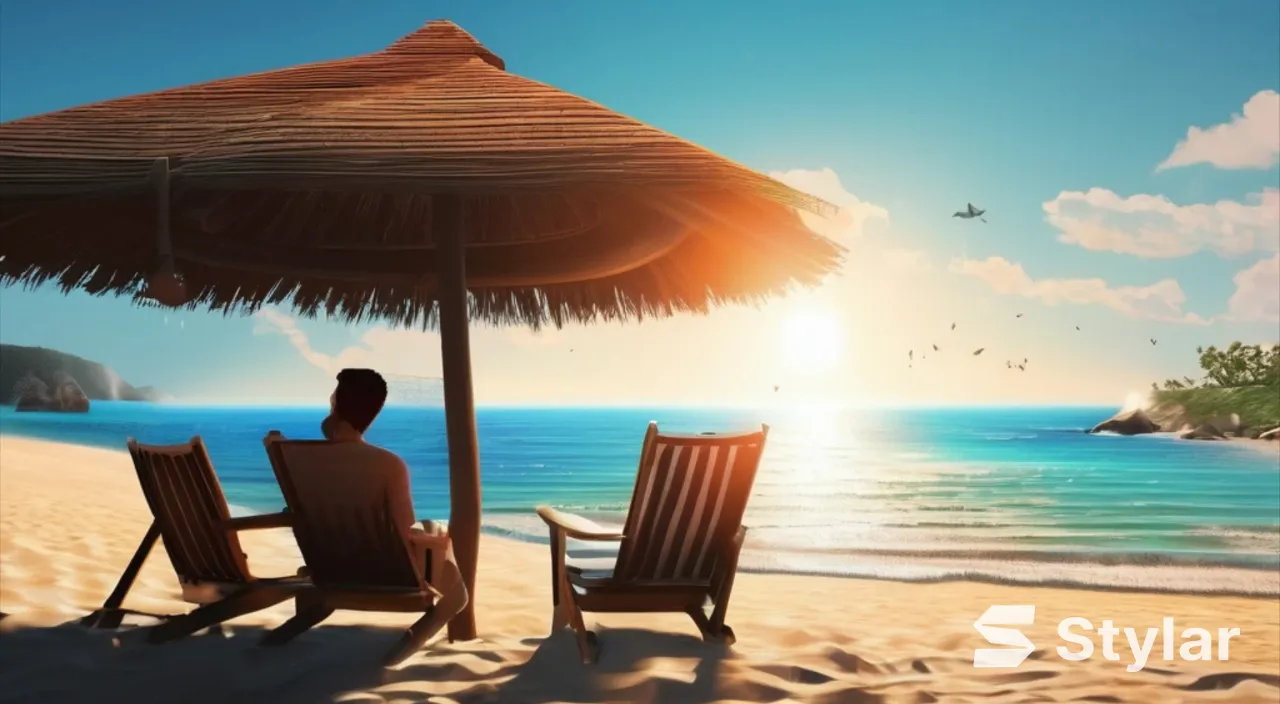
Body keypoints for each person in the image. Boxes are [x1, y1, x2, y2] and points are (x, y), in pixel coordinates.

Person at [315, 368, 468, 633]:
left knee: (432, 527)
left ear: (336, 405)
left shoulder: (300, 459)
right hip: (388, 577)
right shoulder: (387, 464)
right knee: (457, 592)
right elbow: (404, 532)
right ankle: (403, 648)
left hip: (328, 569)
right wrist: (438, 541)